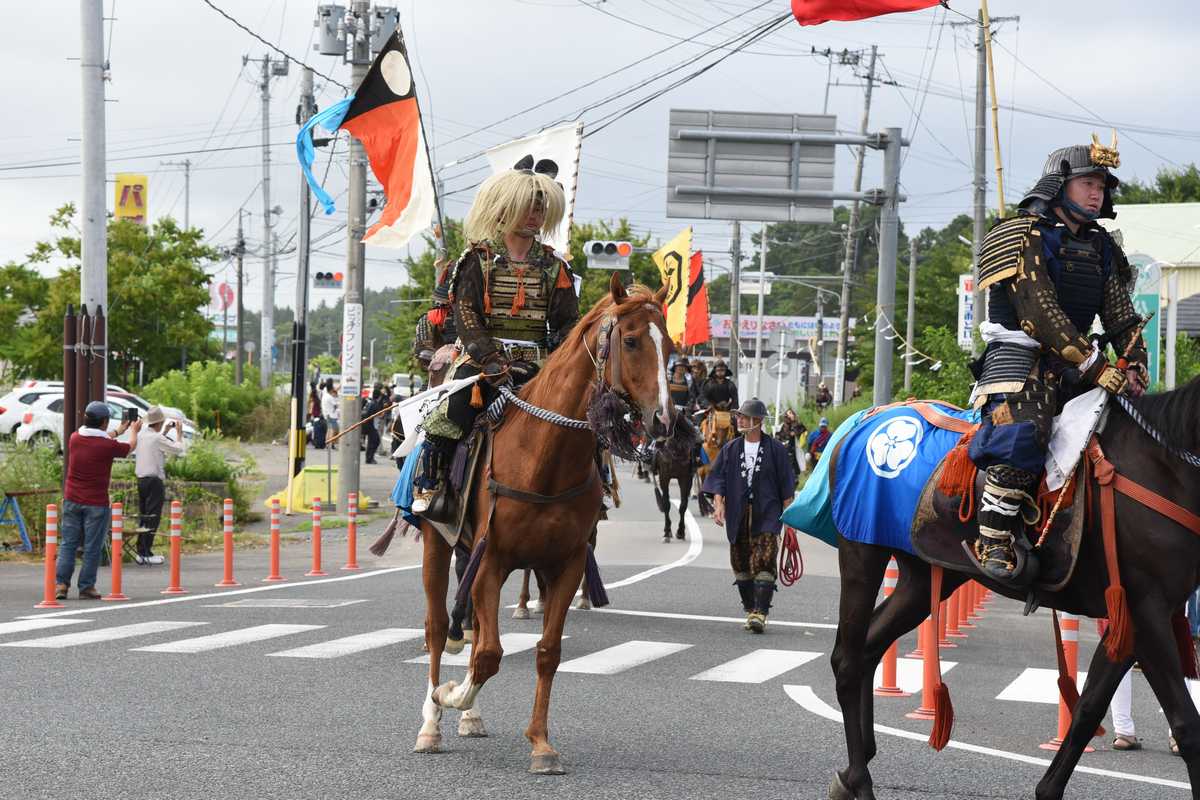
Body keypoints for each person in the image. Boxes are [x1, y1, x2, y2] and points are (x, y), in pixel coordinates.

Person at [966, 134, 1146, 581]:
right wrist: (1096, 366)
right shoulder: (1021, 234)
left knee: (1136, 431)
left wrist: (1134, 360)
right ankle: (994, 535)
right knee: (1026, 429)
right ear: (1058, 184)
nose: (1096, 192)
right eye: (1087, 181)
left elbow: (1121, 314)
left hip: (1078, 364)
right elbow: (1038, 313)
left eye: (1102, 185)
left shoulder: (1102, 246)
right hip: (1019, 359)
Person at [413, 162, 579, 516]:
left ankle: (594, 491)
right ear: (505, 207)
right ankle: (431, 484)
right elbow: (467, 315)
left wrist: (565, 359)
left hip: (537, 364)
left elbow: (566, 323)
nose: (535, 215)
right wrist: (490, 358)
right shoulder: (477, 259)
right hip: (482, 361)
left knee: (581, 417)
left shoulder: (555, 267)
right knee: (450, 413)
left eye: (540, 208)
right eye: (528, 206)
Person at [703, 398, 795, 633]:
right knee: (741, 563)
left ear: (758, 421)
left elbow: (786, 488)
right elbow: (719, 479)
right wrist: (718, 503)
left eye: (744, 416)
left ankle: (760, 613)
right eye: (739, 416)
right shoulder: (731, 448)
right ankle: (750, 609)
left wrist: (791, 522)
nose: (739, 419)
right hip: (738, 514)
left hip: (768, 513)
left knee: (764, 560)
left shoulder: (776, 450)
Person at [56, 401, 141, 600]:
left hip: (71, 499)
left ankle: (61, 585)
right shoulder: (107, 446)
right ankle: (86, 586)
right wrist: (134, 431)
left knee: (68, 543)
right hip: (96, 502)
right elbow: (130, 447)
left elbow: (100, 438)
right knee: (93, 546)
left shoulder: (75, 438)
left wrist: (119, 430)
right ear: (104, 421)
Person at [134, 406, 183, 565]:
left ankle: (140, 551)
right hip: (154, 481)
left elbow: (155, 443)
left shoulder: (142, 435)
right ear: (160, 422)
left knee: (144, 515)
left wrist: (165, 432)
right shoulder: (157, 438)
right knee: (153, 517)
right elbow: (177, 449)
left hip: (141, 480)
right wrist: (179, 433)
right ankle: (146, 552)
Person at [776, 408, 807, 476]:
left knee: (793, 475)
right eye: (787, 416)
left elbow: (803, 429)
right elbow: (776, 438)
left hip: (792, 454)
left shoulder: (795, 426)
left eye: (791, 414)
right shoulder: (780, 428)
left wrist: (794, 421)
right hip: (782, 454)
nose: (787, 418)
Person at [363, 383, 385, 464]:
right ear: (379, 396)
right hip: (372, 426)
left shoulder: (370, 402)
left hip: (368, 425)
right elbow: (380, 415)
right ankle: (370, 458)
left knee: (371, 442)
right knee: (375, 441)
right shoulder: (375, 404)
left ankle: (369, 458)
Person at [322, 380, 340, 446]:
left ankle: (327, 443)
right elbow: (336, 405)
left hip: (326, 414)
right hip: (331, 415)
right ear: (331, 389)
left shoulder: (325, 395)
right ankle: (331, 444)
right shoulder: (330, 397)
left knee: (329, 429)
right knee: (333, 430)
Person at [309, 383, 326, 450]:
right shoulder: (317, 399)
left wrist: (310, 415)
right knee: (315, 429)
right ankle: (316, 441)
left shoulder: (313, 399)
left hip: (315, 415)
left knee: (314, 429)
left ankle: (314, 441)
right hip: (317, 415)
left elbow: (311, 409)